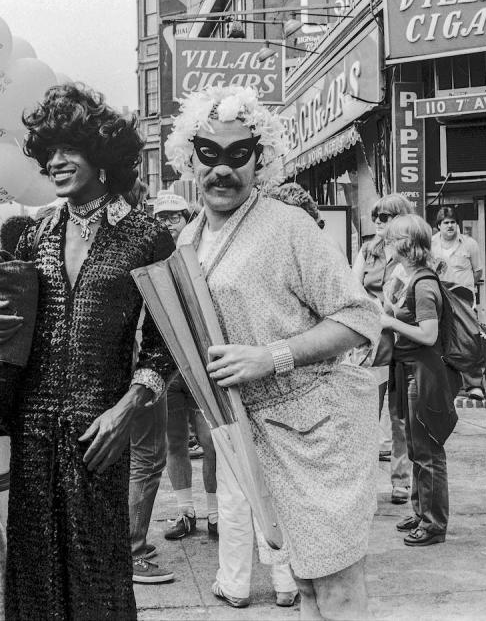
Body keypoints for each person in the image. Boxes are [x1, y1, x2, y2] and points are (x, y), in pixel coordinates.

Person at [167, 85, 381, 618]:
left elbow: (360, 318)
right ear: (188, 158)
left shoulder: (288, 226)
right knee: (306, 585)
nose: (223, 170)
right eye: (209, 154)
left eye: (239, 155)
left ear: (260, 159)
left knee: (334, 584)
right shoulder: (188, 241)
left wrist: (273, 355)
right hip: (250, 433)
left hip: (317, 429)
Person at [0, 83, 177, 617]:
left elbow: (169, 345)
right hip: (33, 432)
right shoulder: (33, 236)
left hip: (99, 433)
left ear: (102, 155)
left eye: (71, 149)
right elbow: (3, 330)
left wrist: (128, 409)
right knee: (34, 577)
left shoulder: (147, 237)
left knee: (99, 579)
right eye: (49, 151)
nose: (57, 162)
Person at [380, 214, 460, 548]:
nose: (385, 242)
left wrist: (388, 321)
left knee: (427, 450)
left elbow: (428, 335)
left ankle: (434, 523)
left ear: (405, 244)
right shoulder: (409, 277)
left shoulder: (423, 284)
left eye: (391, 238)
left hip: (422, 371)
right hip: (408, 368)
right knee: (415, 448)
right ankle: (422, 511)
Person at [151, 192, 220, 547]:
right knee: (174, 441)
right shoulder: (151, 258)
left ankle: (215, 513)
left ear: (186, 217)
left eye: (173, 216)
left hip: (201, 363)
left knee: (211, 442)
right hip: (167, 366)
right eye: (161, 217)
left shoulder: (200, 253)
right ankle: (185, 511)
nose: (167, 223)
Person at [352, 194, 415, 506]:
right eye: (376, 216)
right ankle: (362, 487)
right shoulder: (368, 249)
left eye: (385, 217)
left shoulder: (411, 254)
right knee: (366, 415)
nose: (378, 222)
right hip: (373, 343)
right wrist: (373, 306)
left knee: (401, 415)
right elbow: (351, 289)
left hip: (403, 341)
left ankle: (401, 481)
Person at [430, 207, 485, 400]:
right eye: (446, 222)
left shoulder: (469, 244)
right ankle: (445, 384)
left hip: (464, 299)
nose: (450, 225)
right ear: (438, 226)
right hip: (439, 298)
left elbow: (478, 272)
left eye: (453, 222)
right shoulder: (431, 244)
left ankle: (474, 385)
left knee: (470, 339)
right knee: (440, 341)